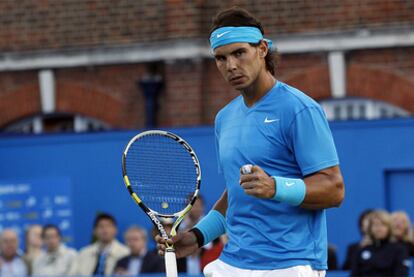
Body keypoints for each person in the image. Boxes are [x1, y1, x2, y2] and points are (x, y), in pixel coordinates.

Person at [156, 6, 345, 277]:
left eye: (239, 53)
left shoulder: (300, 109)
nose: (231, 65)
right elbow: (236, 192)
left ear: (262, 49)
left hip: (290, 264)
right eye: (221, 58)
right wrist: (198, 236)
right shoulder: (225, 118)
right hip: (233, 262)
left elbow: (334, 189)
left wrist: (275, 187)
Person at [351, 210, 410, 276]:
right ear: (370, 228)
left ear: (389, 227)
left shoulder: (399, 250)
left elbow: (401, 274)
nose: (378, 229)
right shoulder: (362, 249)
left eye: (383, 225)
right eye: (375, 225)